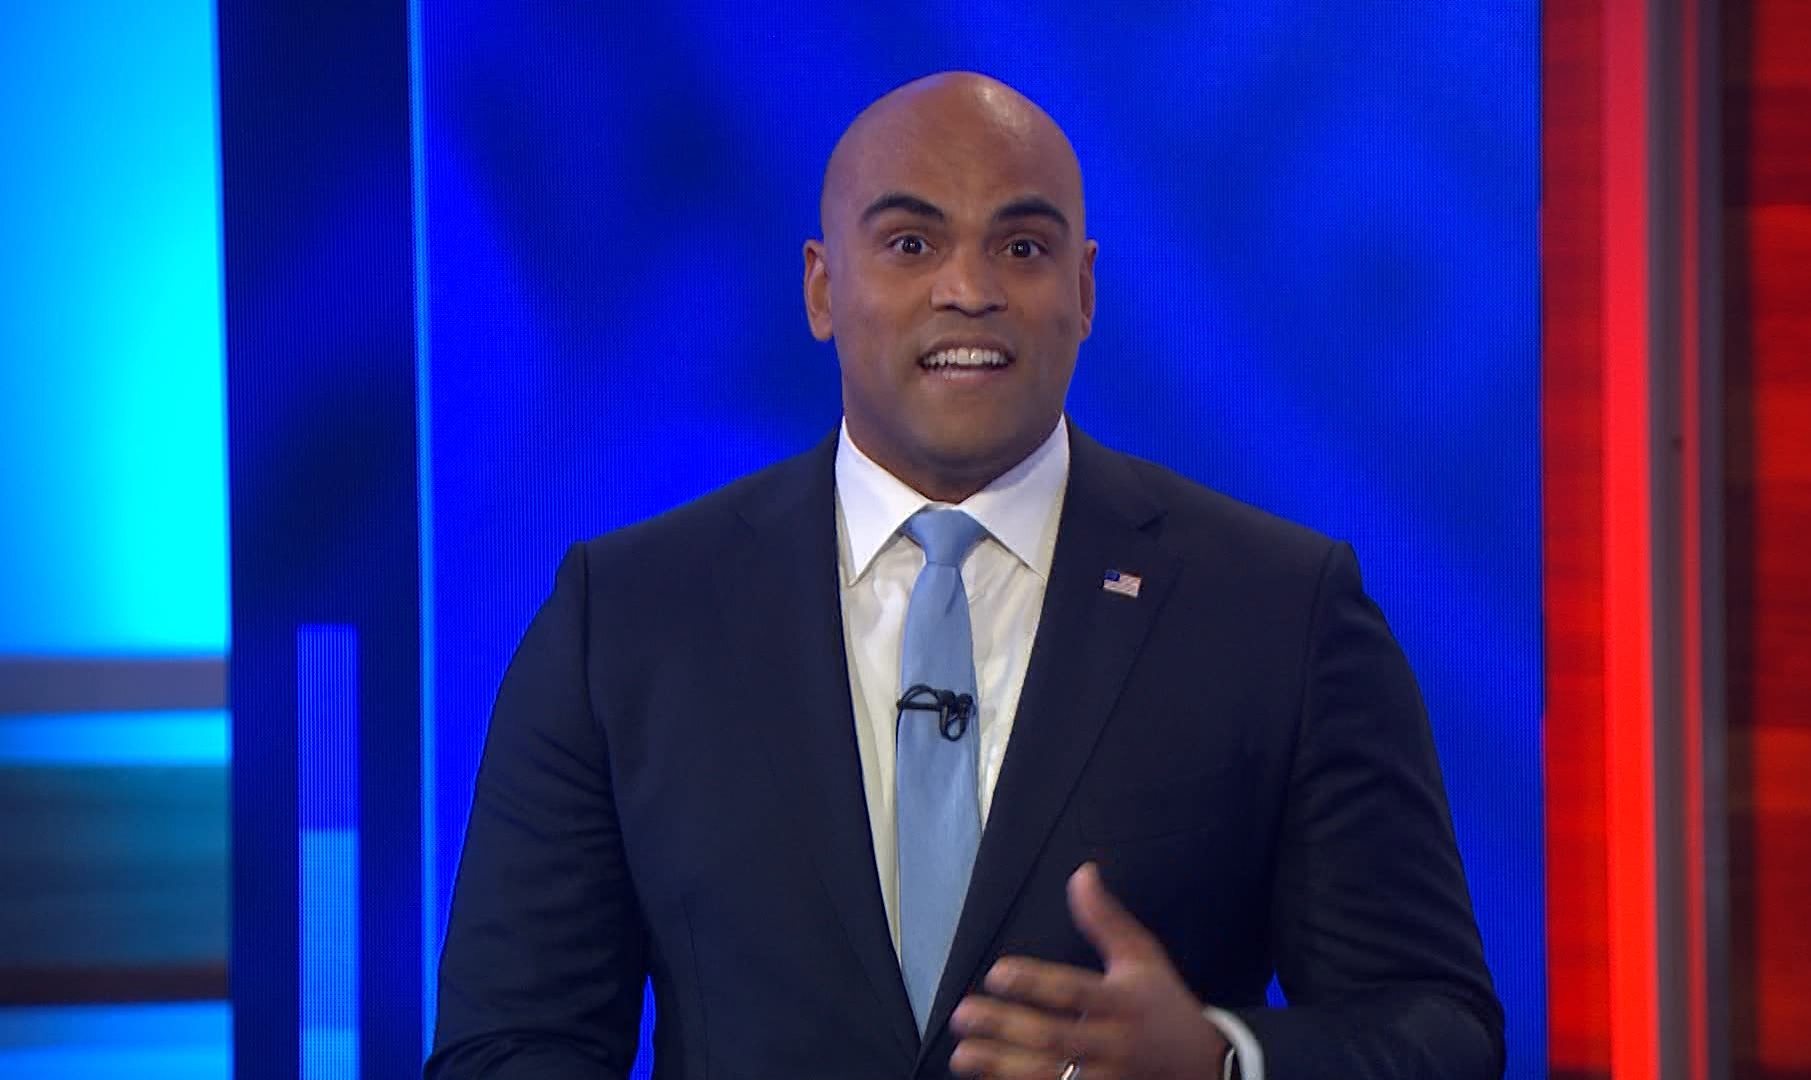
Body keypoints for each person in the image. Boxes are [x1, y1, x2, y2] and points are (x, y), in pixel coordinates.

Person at [426, 72, 1502, 1080]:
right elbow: (511, 1046)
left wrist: (1220, 1058)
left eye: (1024, 248)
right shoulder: (624, 619)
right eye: (909, 241)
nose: (970, 289)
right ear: (820, 288)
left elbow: (1436, 1025)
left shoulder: (1280, 609)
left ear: (1084, 291)